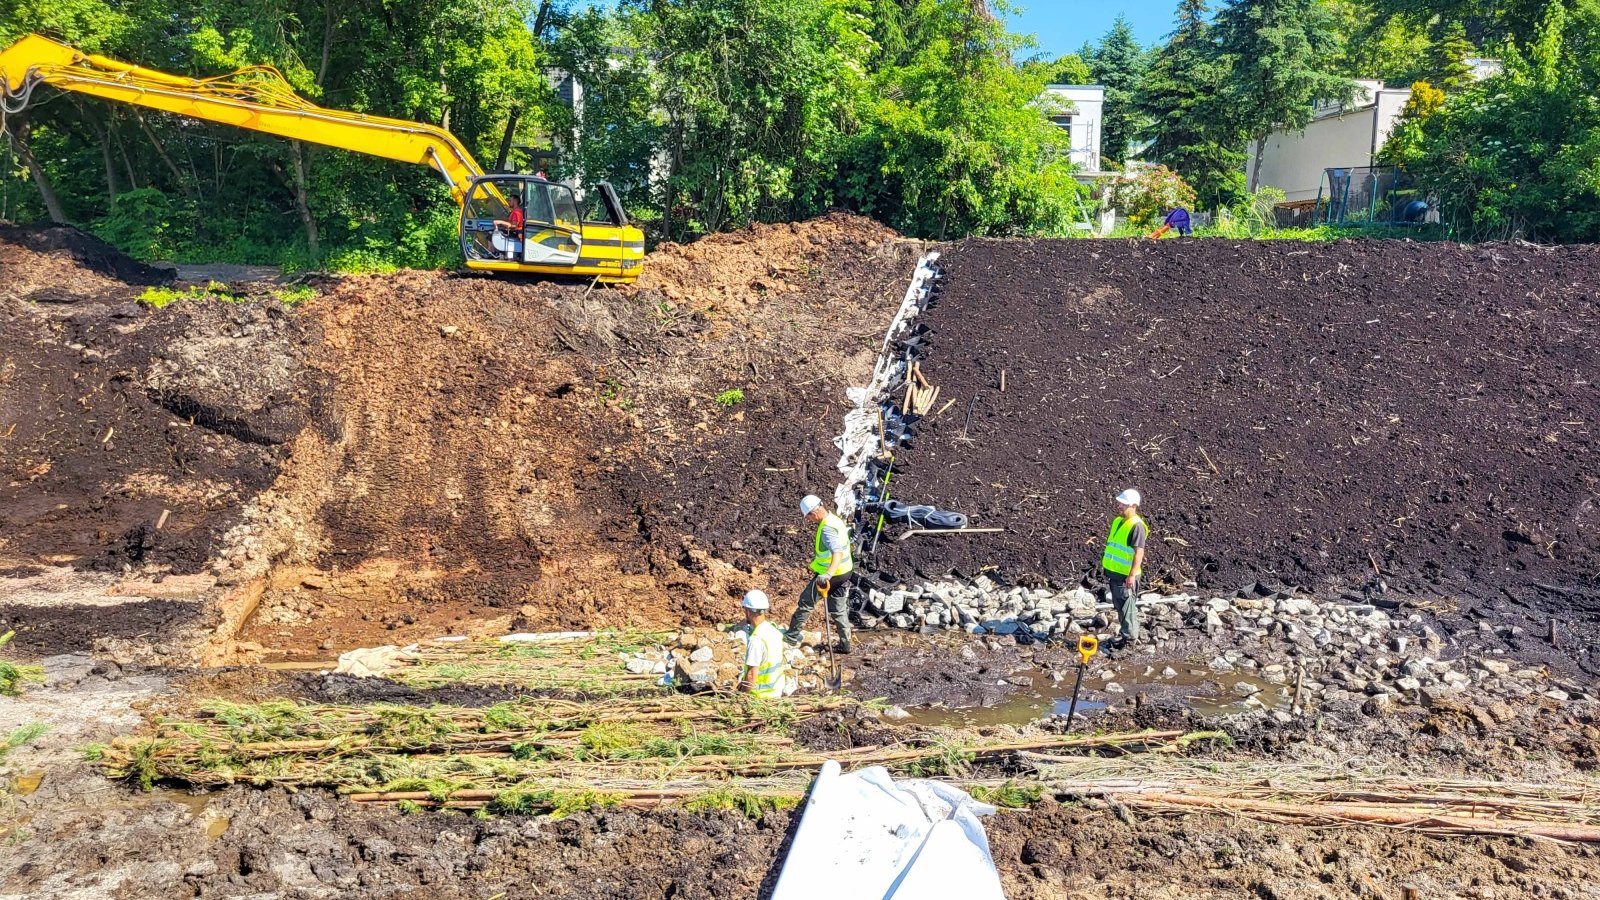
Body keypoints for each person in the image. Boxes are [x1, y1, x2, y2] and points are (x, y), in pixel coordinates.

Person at [786, 494, 854, 653]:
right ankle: (846, 645)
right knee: (838, 609)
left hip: (833, 575)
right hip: (845, 572)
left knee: (806, 601)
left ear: (813, 513)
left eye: (807, 517)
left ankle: (790, 637)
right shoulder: (834, 519)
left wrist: (828, 575)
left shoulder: (827, 529)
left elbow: (837, 553)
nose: (808, 520)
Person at [1102, 488, 1148, 650]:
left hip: (1126, 577)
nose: (1119, 505)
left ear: (1133, 505)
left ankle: (1129, 642)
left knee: (1127, 609)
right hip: (1115, 574)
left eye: (1123, 503)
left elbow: (1138, 553)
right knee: (1120, 607)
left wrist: (1131, 575)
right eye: (1119, 502)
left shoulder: (1137, 526)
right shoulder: (1118, 522)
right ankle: (1125, 637)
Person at [738, 589, 787, 698]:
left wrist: (741, 697)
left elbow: (751, 675)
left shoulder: (756, 640)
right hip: (776, 692)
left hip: (761, 697)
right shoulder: (774, 631)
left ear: (748, 612)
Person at [492, 194, 525, 259]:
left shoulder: (517, 212)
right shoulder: (513, 212)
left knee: (491, 234)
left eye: (510, 201)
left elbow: (514, 225)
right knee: (491, 233)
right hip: (512, 231)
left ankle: (493, 253)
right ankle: (493, 253)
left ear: (515, 201)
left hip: (515, 233)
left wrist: (501, 222)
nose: (508, 202)